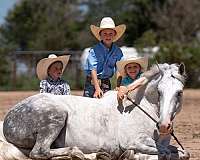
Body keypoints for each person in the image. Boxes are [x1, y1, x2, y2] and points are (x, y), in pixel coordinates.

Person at [83, 17, 126, 98]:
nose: (108, 36)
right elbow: (93, 69)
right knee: (89, 103)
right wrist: (97, 88)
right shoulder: (94, 50)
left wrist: (118, 86)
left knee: (105, 103)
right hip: (92, 81)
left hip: (106, 80)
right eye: (105, 33)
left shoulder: (117, 51)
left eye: (110, 34)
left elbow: (119, 69)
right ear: (100, 35)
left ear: (114, 35)